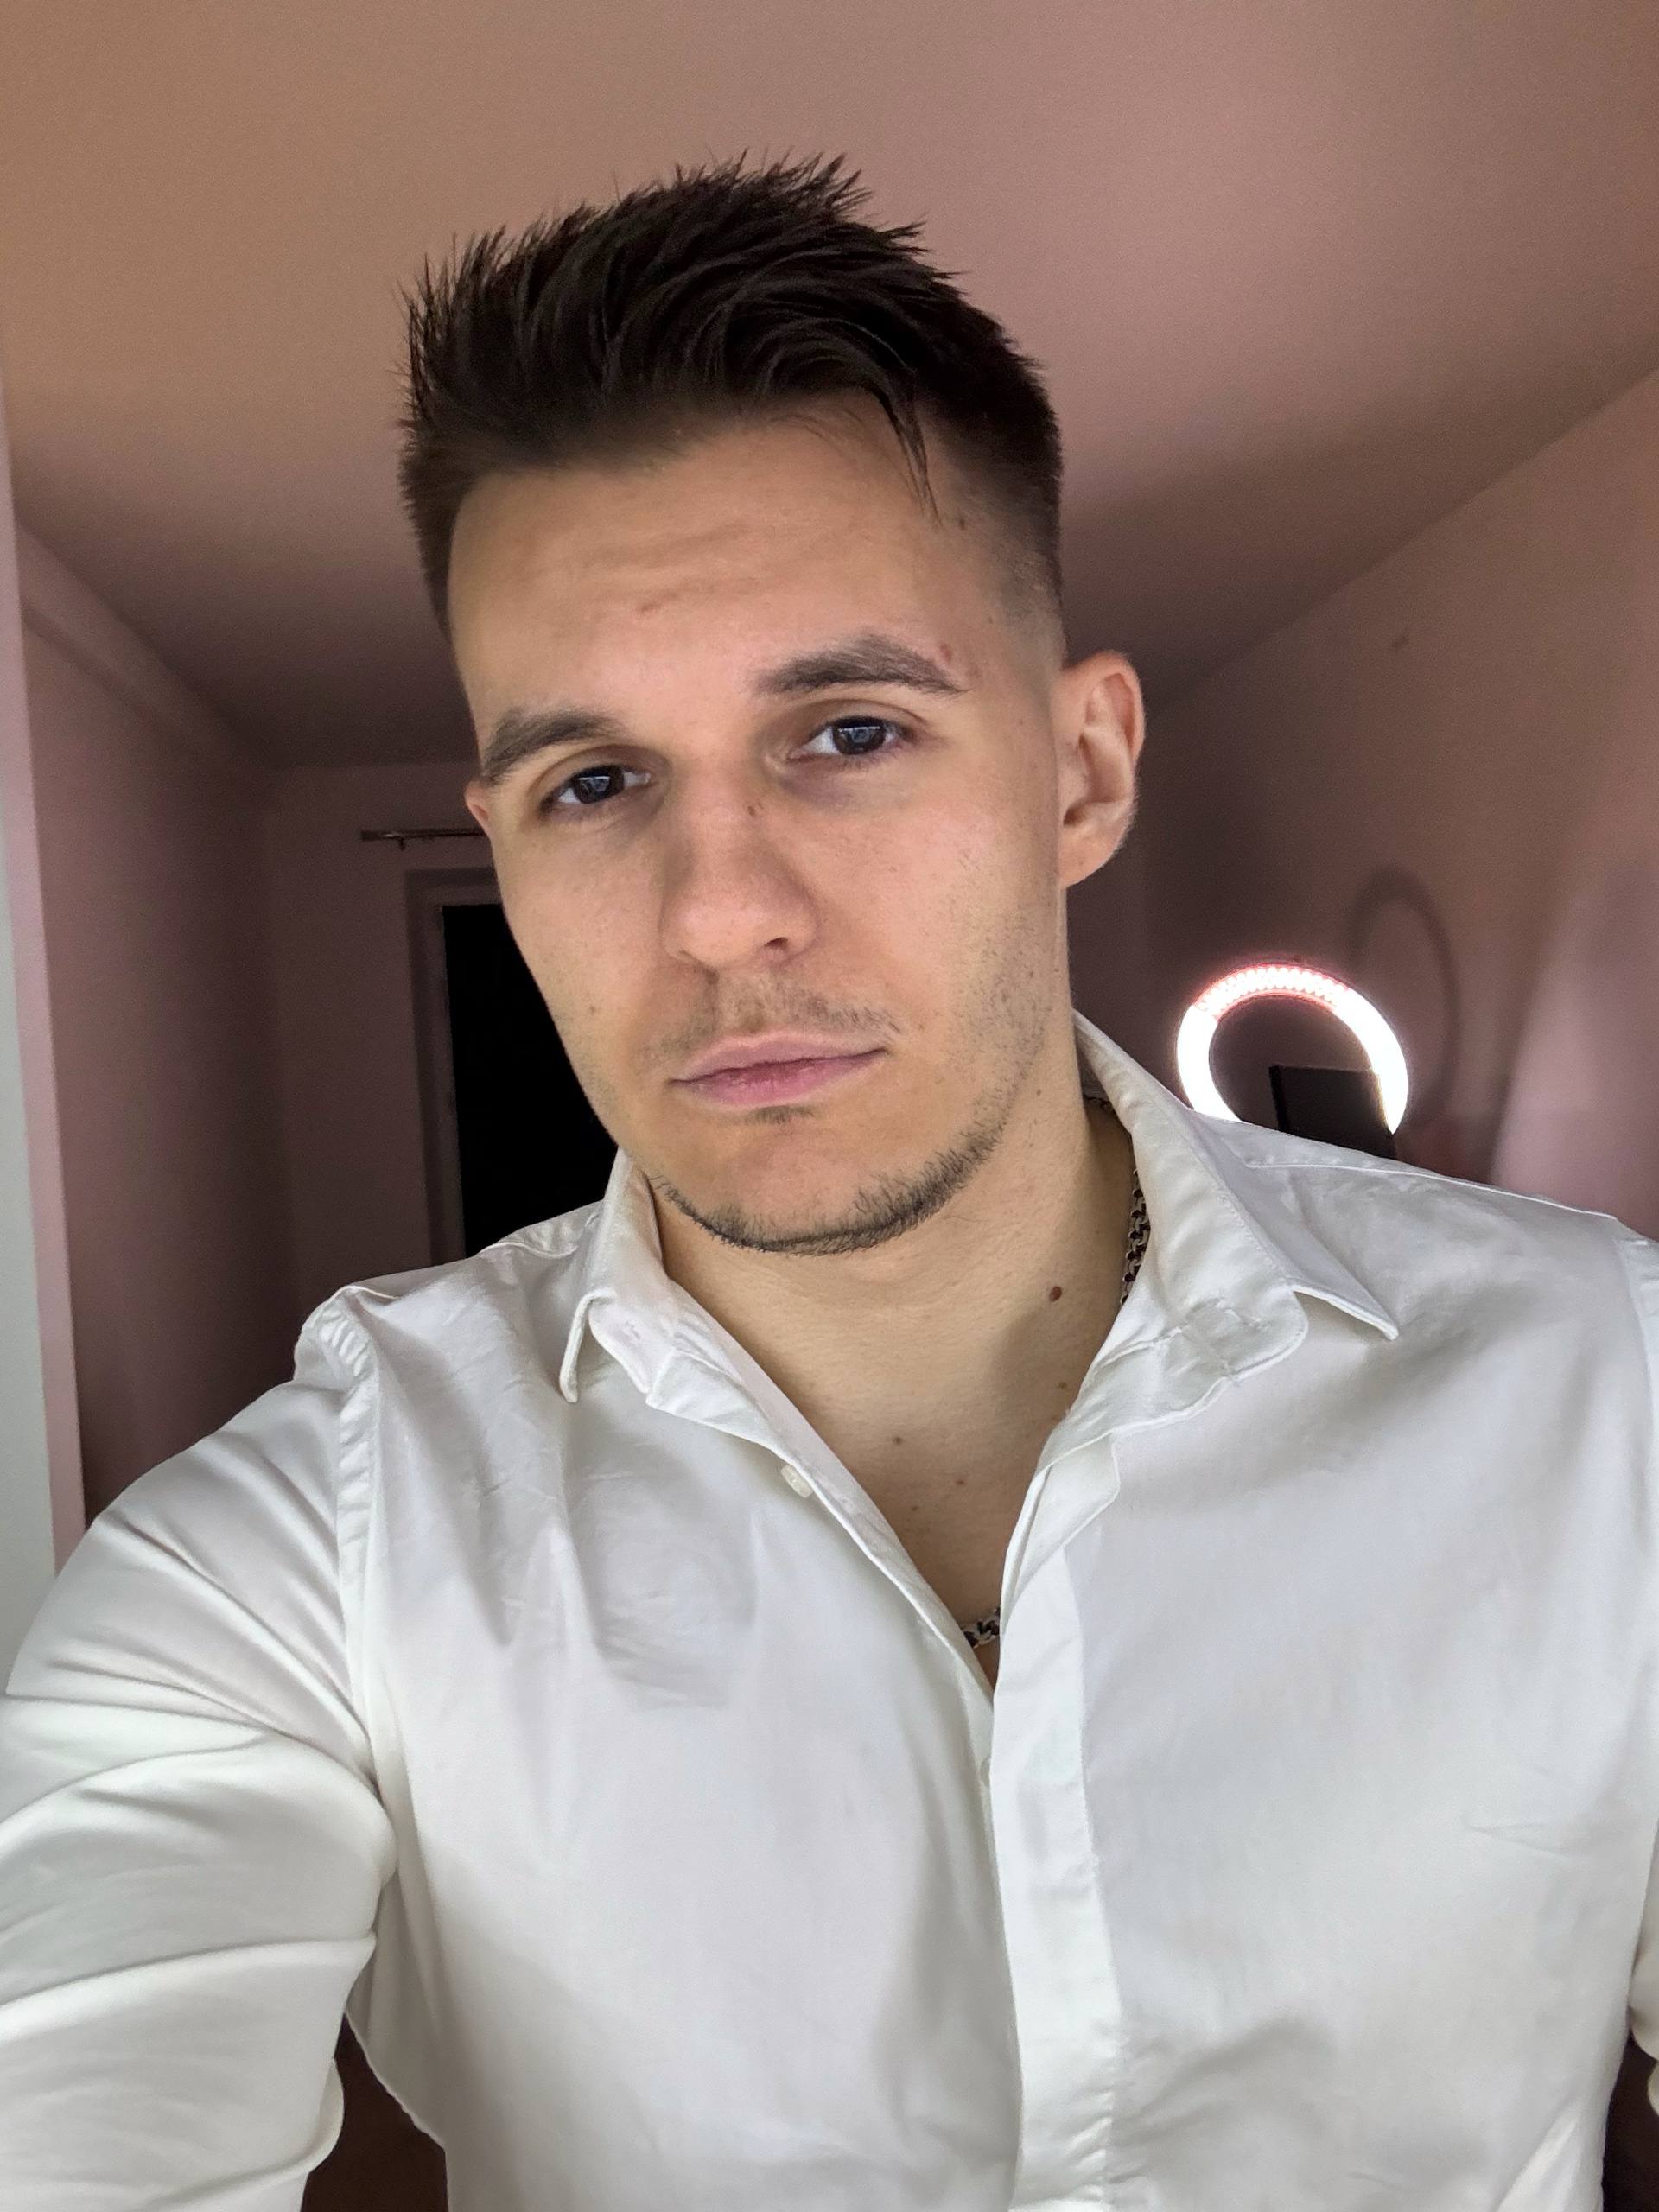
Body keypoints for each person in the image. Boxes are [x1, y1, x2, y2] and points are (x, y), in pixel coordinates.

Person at [2, 151, 1657, 2212]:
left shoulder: (1607, 1388)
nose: (720, 913)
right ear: (502, 841)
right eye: (596, 781)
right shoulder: (299, 1557)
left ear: (1082, 769)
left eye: (851, 731)